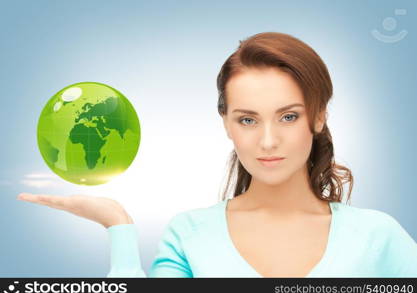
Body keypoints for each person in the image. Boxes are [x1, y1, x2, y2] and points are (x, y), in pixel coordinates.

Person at [17, 32, 417, 277]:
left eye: (288, 116)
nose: (268, 141)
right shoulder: (188, 236)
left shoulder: (380, 238)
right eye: (247, 120)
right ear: (226, 124)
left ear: (318, 117)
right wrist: (118, 227)